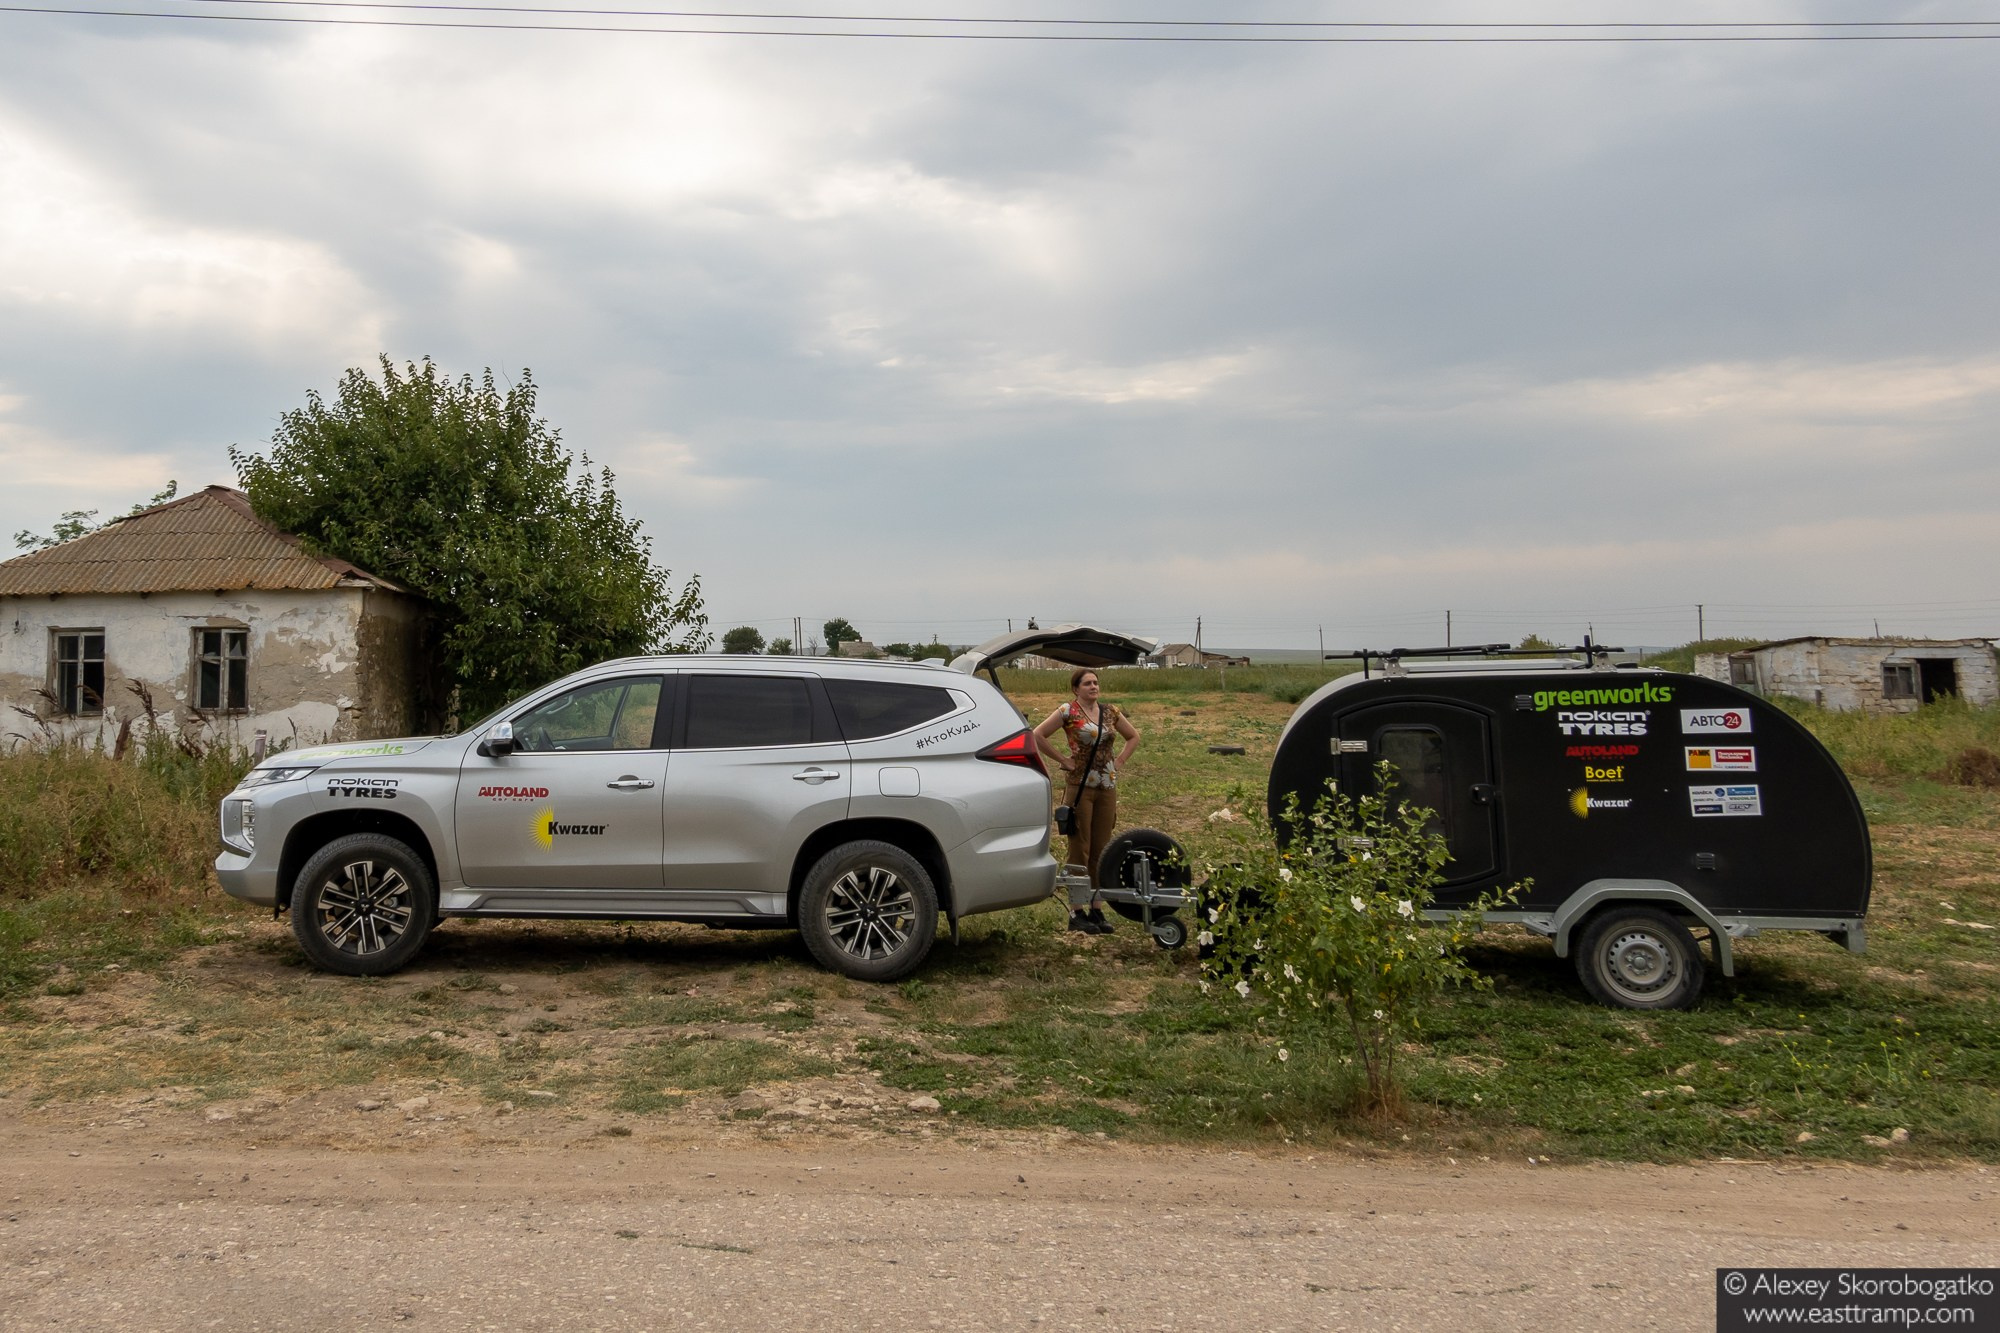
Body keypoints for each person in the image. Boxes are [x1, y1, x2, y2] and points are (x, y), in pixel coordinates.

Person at [1034, 668, 1141, 934]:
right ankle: (1076, 911)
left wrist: (1120, 762)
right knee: (1079, 849)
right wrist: (1063, 761)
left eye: (1096, 682)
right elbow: (1037, 734)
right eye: (1087, 683)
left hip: (1107, 786)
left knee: (1101, 849)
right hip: (1080, 787)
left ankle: (1097, 909)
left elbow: (1134, 736)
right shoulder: (1067, 711)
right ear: (1076, 689)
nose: (1094, 687)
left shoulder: (1110, 712)